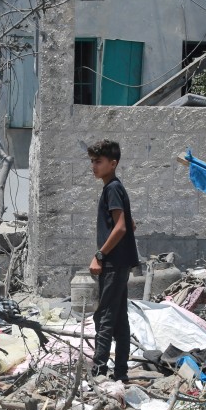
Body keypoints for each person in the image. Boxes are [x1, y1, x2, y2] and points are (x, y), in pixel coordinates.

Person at [87, 139, 138, 382]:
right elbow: (130, 224)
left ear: (113, 163)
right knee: (118, 318)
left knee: (104, 316)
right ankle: (120, 373)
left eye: (98, 161)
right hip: (120, 262)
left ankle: (99, 372)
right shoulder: (114, 188)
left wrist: (100, 255)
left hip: (113, 263)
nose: (94, 166)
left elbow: (121, 228)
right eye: (92, 161)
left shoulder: (112, 189)